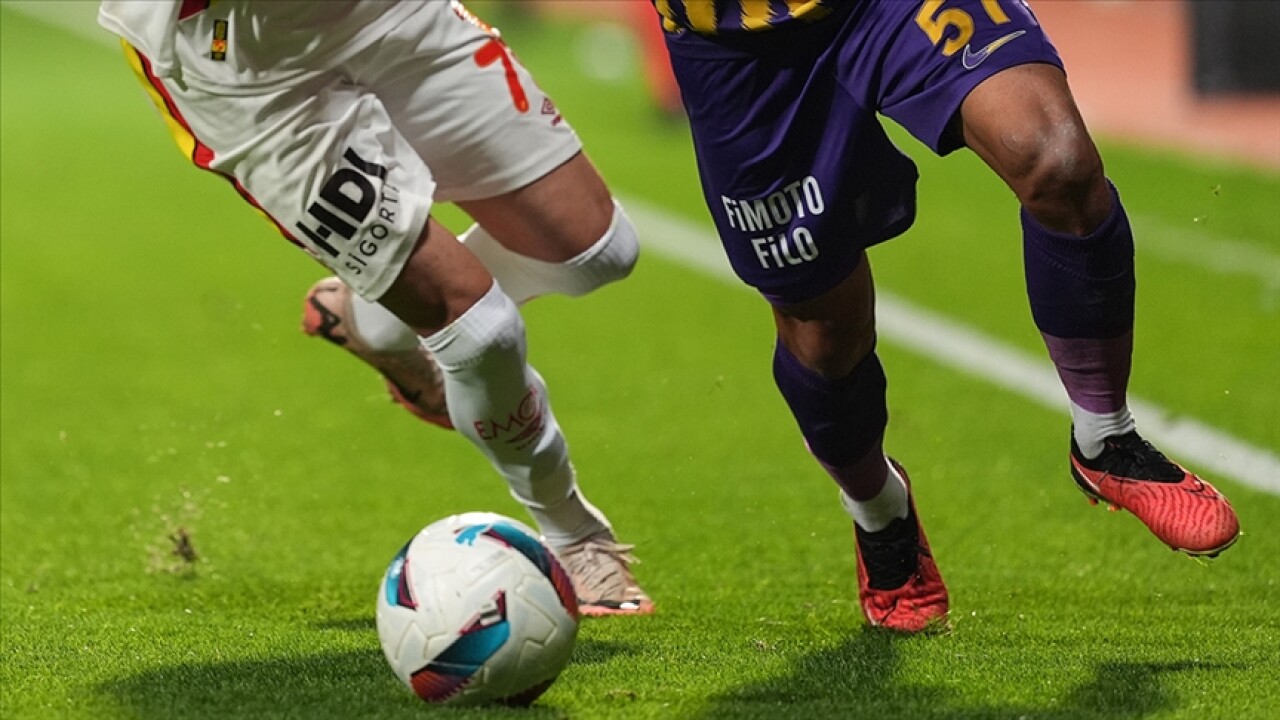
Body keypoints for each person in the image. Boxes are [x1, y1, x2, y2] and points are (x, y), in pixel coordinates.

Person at [651, 0, 1240, 633]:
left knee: (1057, 161)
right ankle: (879, 510)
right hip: (739, 50)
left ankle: (1106, 438)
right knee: (824, 336)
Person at [98, 0, 653, 616]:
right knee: (481, 331)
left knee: (598, 250)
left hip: (384, 10)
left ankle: (373, 320)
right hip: (241, 63)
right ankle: (573, 532)